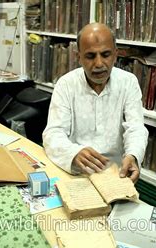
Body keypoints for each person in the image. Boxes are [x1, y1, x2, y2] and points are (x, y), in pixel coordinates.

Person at [42, 23, 148, 182]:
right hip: (77, 171)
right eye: (90, 56)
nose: (99, 64)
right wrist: (74, 153)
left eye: (105, 55)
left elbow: (136, 128)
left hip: (117, 172)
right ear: (78, 57)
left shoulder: (128, 82)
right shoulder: (66, 85)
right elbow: (53, 133)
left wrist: (133, 155)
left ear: (115, 55)